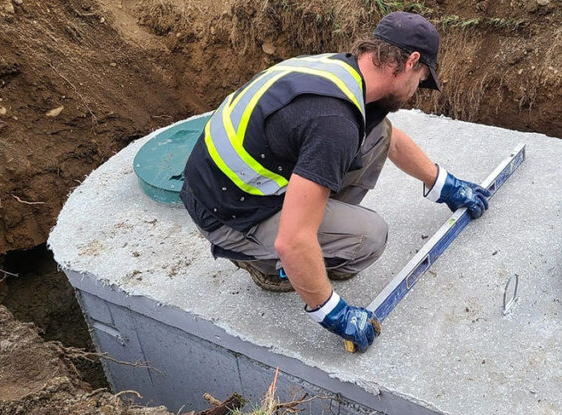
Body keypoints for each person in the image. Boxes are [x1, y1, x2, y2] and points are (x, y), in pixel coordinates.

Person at [179, 11, 491, 352]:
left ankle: (309, 219)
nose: (416, 91)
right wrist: (331, 311)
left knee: (377, 133)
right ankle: (264, 265)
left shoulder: (341, 71)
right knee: (368, 238)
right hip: (228, 214)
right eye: (421, 79)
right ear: (409, 62)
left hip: (228, 181)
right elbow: (294, 241)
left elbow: (391, 138)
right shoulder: (333, 123)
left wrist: (443, 184)